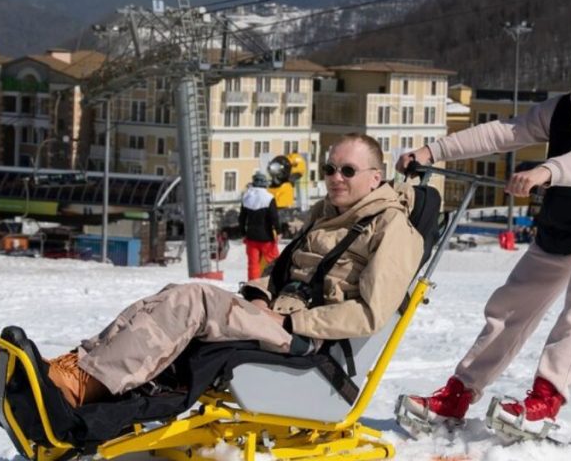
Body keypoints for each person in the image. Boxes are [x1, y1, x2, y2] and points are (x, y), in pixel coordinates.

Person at [395, 12, 571, 434]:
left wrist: (546, 172)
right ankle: (458, 395)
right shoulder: (563, 110)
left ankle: (546, 399)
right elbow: (503, 133)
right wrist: (432, 151)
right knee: (509, 308)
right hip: (562, 226)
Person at [45, 133, 424, 408]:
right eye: (330, 168)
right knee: (173, 293)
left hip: (310, 340)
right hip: (278, 315)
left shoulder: (392, 229)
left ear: (376, 177)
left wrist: (291, 322)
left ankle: (88, 385)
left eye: (347, 170)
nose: (335, 177)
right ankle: (78, 365)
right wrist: (260, 295)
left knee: (194, 301)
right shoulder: (327, 215)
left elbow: (370, 314)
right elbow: (286, 272)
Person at [238, 171, 281, 280]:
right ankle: (275, 282)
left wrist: (243, 233)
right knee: (274, 262)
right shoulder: (269, 197)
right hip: (267, 238)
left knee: (253, 264)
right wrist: (279, 231)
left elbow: (242, 218)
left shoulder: (246, 197)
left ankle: (253, 285)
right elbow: (274, 217)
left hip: (251, 237)